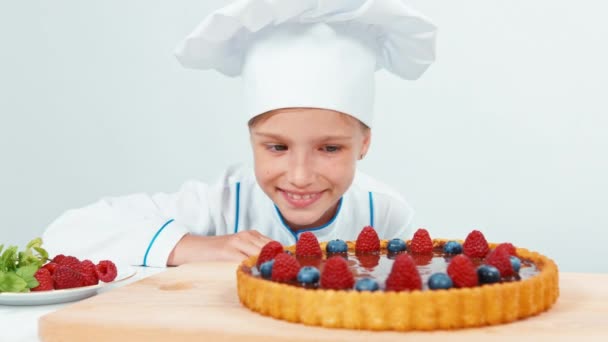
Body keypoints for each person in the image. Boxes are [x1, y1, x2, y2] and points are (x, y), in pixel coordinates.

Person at [42, 0, 437, 267]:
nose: (300, 175)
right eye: (277, 146)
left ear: (364, 144)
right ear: (252, 142)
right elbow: (66, 232)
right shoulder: (220, 204)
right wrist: (192, 246)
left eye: (329, 148)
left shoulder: (384, 212)